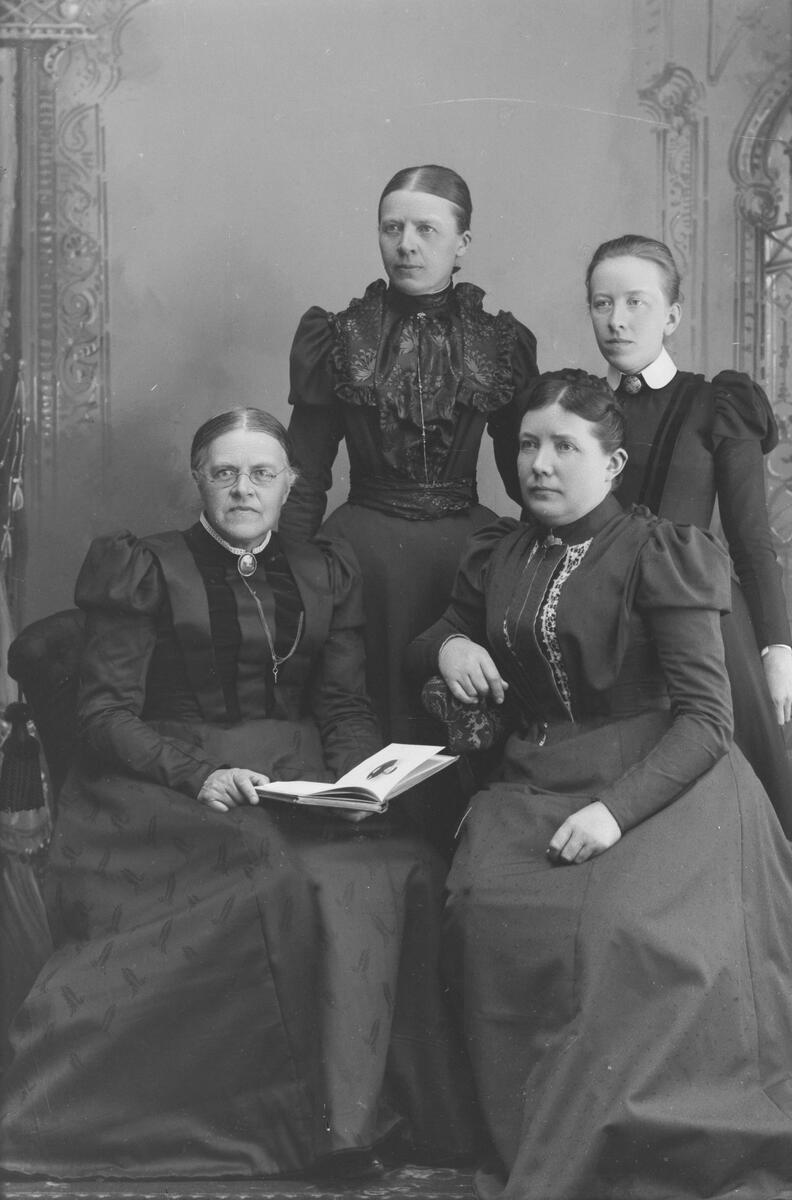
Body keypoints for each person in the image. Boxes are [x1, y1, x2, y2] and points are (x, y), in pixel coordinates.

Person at [0, 409, 476, 1181]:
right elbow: (104, 714)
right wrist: (198, 774)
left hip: (297, 778)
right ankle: (306, 1132)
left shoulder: (324, 570)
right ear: (199, 479)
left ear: (291, 484)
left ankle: (380, 1119)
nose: (243, 489)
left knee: (402, 866)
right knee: (280, 878)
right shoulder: (147, 567)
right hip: (165, 785)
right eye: (225, 473)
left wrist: (360, 783)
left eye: (262, 473)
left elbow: (343, 706)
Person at [408, 371, 792, 1200]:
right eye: (527, 445)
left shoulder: (660, 553)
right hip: (535, 778)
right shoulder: (502, 551)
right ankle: (527, 1124)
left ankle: (612, 1141)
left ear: (613, 464)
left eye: (563, 447)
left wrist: (614, 815)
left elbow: (706, 722)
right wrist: (448, 646)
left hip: (666, 784)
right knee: (478, 908)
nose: (539, 464)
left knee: (617, 928)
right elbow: (438, 631)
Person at [279, 164, 538, 769]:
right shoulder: (340, 336)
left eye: (426, 229)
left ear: (462, 244)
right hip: (362, 558)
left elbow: (526, 476)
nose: (407, 245)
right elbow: (304, 475)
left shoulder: (498, 341)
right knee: (362, 717)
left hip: (467, 561)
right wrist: (289, 577)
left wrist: (533, 573)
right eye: (392, 228)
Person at [585, 233, 792, 835]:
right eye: (602, 303)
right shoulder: (578, 408)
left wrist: (777, 648)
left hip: (700, 623)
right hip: (601, 622)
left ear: (672, 316)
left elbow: (751, 539)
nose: (617, 320)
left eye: (636, 303)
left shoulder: (716, 403)